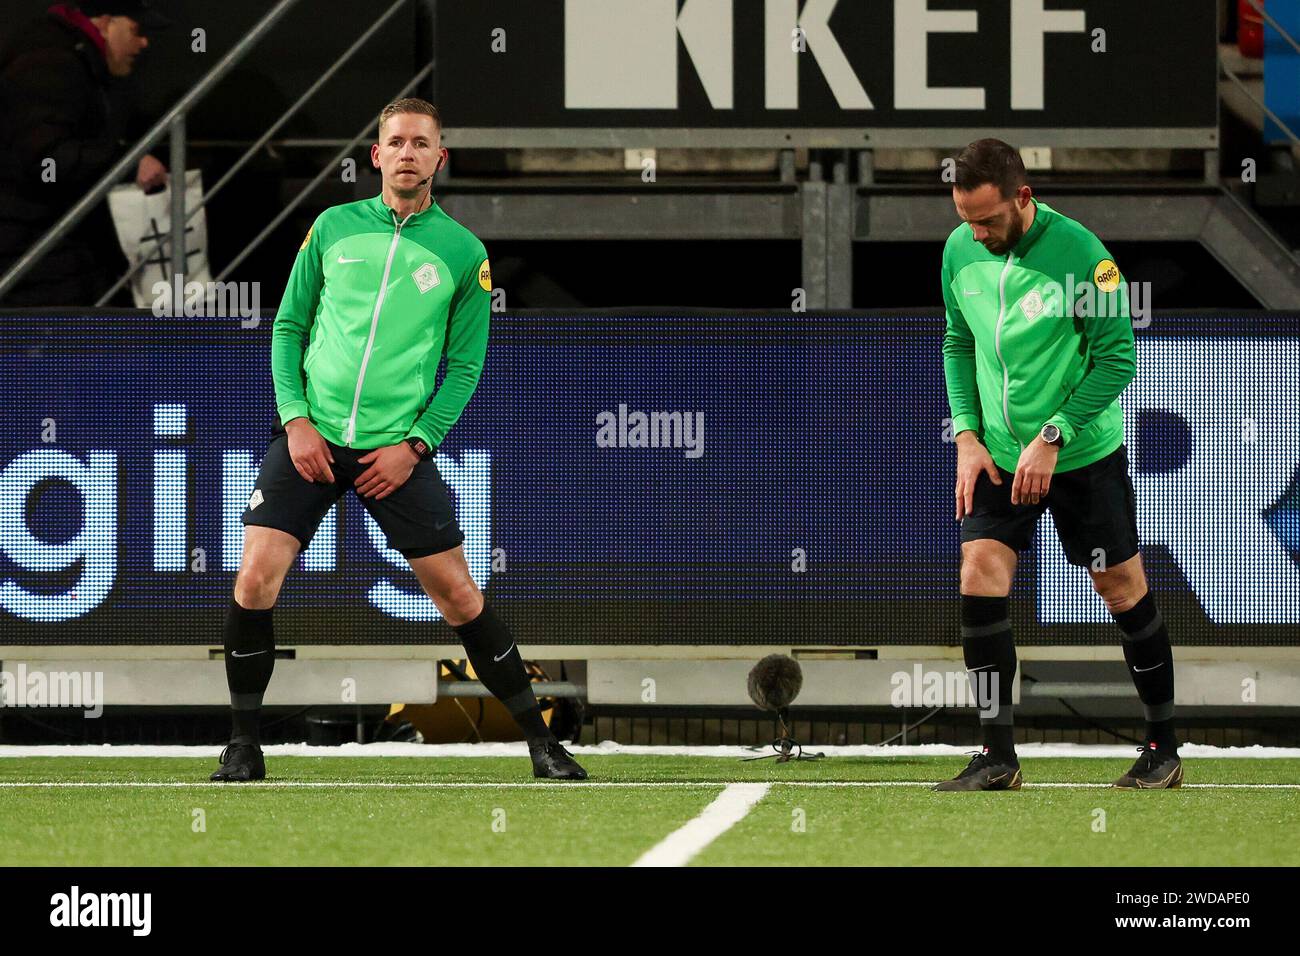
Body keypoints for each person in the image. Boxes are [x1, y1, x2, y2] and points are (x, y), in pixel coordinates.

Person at [212, 97, 586, 783]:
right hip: (312, 439)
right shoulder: (330, 228)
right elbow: (289, 327)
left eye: (421, 142)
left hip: (396, 451)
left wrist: (414, 446)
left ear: (439, 158)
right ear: (376, 156)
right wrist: (296, 421)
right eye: (396, 141)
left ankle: (541, 744)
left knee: (458, 596)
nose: (408, 152)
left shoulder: (464, 253)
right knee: (254, 578)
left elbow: (465, 365)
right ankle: (242, 744)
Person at [936, 138, 1181, 792]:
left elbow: (1118, 360)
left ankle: (1163, 747)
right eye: (965, 218)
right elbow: (958, 341)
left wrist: (1054, 433)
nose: (976, 232)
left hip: (1080, 456)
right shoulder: (960, 249)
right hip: (998, 457)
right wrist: (966, 433)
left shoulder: (1085, 258)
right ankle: (997, 757)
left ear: (1023, 197)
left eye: (987, 219)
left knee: (1119, 587)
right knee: (980, 569)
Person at [0, 1, 171, 306]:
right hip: (35, 254)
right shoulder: (52, 62)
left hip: (45, 250)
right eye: (135, 30)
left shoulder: (62, 55)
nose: (144, 42)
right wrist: (128, 164)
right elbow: (46, 161)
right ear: (105, 22)